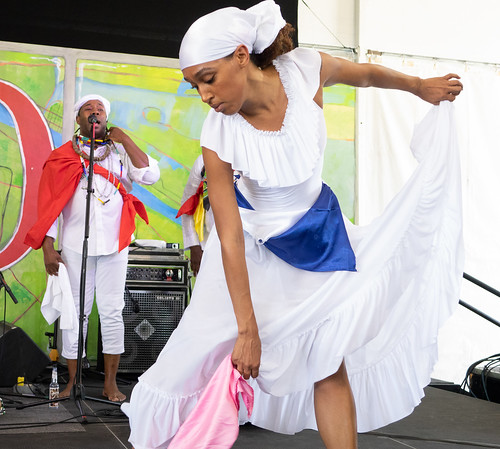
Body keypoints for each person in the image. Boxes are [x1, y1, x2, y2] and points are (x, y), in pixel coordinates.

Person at [122, 1, 463, 448]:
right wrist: (247, 330)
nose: (204, 95)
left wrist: (419, 86)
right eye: (195, 86)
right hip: (252, 257)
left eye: (208, 79)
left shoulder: (302, 70)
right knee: (185, 370)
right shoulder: (218, 134)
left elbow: (364, 74)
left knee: (328, 360)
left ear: (241, 56)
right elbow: (228, 238)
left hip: (319, 243)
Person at [25, 94, 160, 402]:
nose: (95, 113)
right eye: (89, 109)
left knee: (112, 312)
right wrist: (48, 247)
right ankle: (74, 381)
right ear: (79, 119)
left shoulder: (120, 154)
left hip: (115, 243)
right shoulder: (62, 156)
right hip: (75, 245)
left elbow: (150, 175)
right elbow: (48, 206)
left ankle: (111, 384)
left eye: (100, 110)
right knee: (76, 314)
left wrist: (124, 138)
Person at [177, 154, 214, 276]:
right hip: (208, 247)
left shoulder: (254, 158)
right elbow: (188, 204)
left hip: (249, 245)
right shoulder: (204, 159)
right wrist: (193, 244)